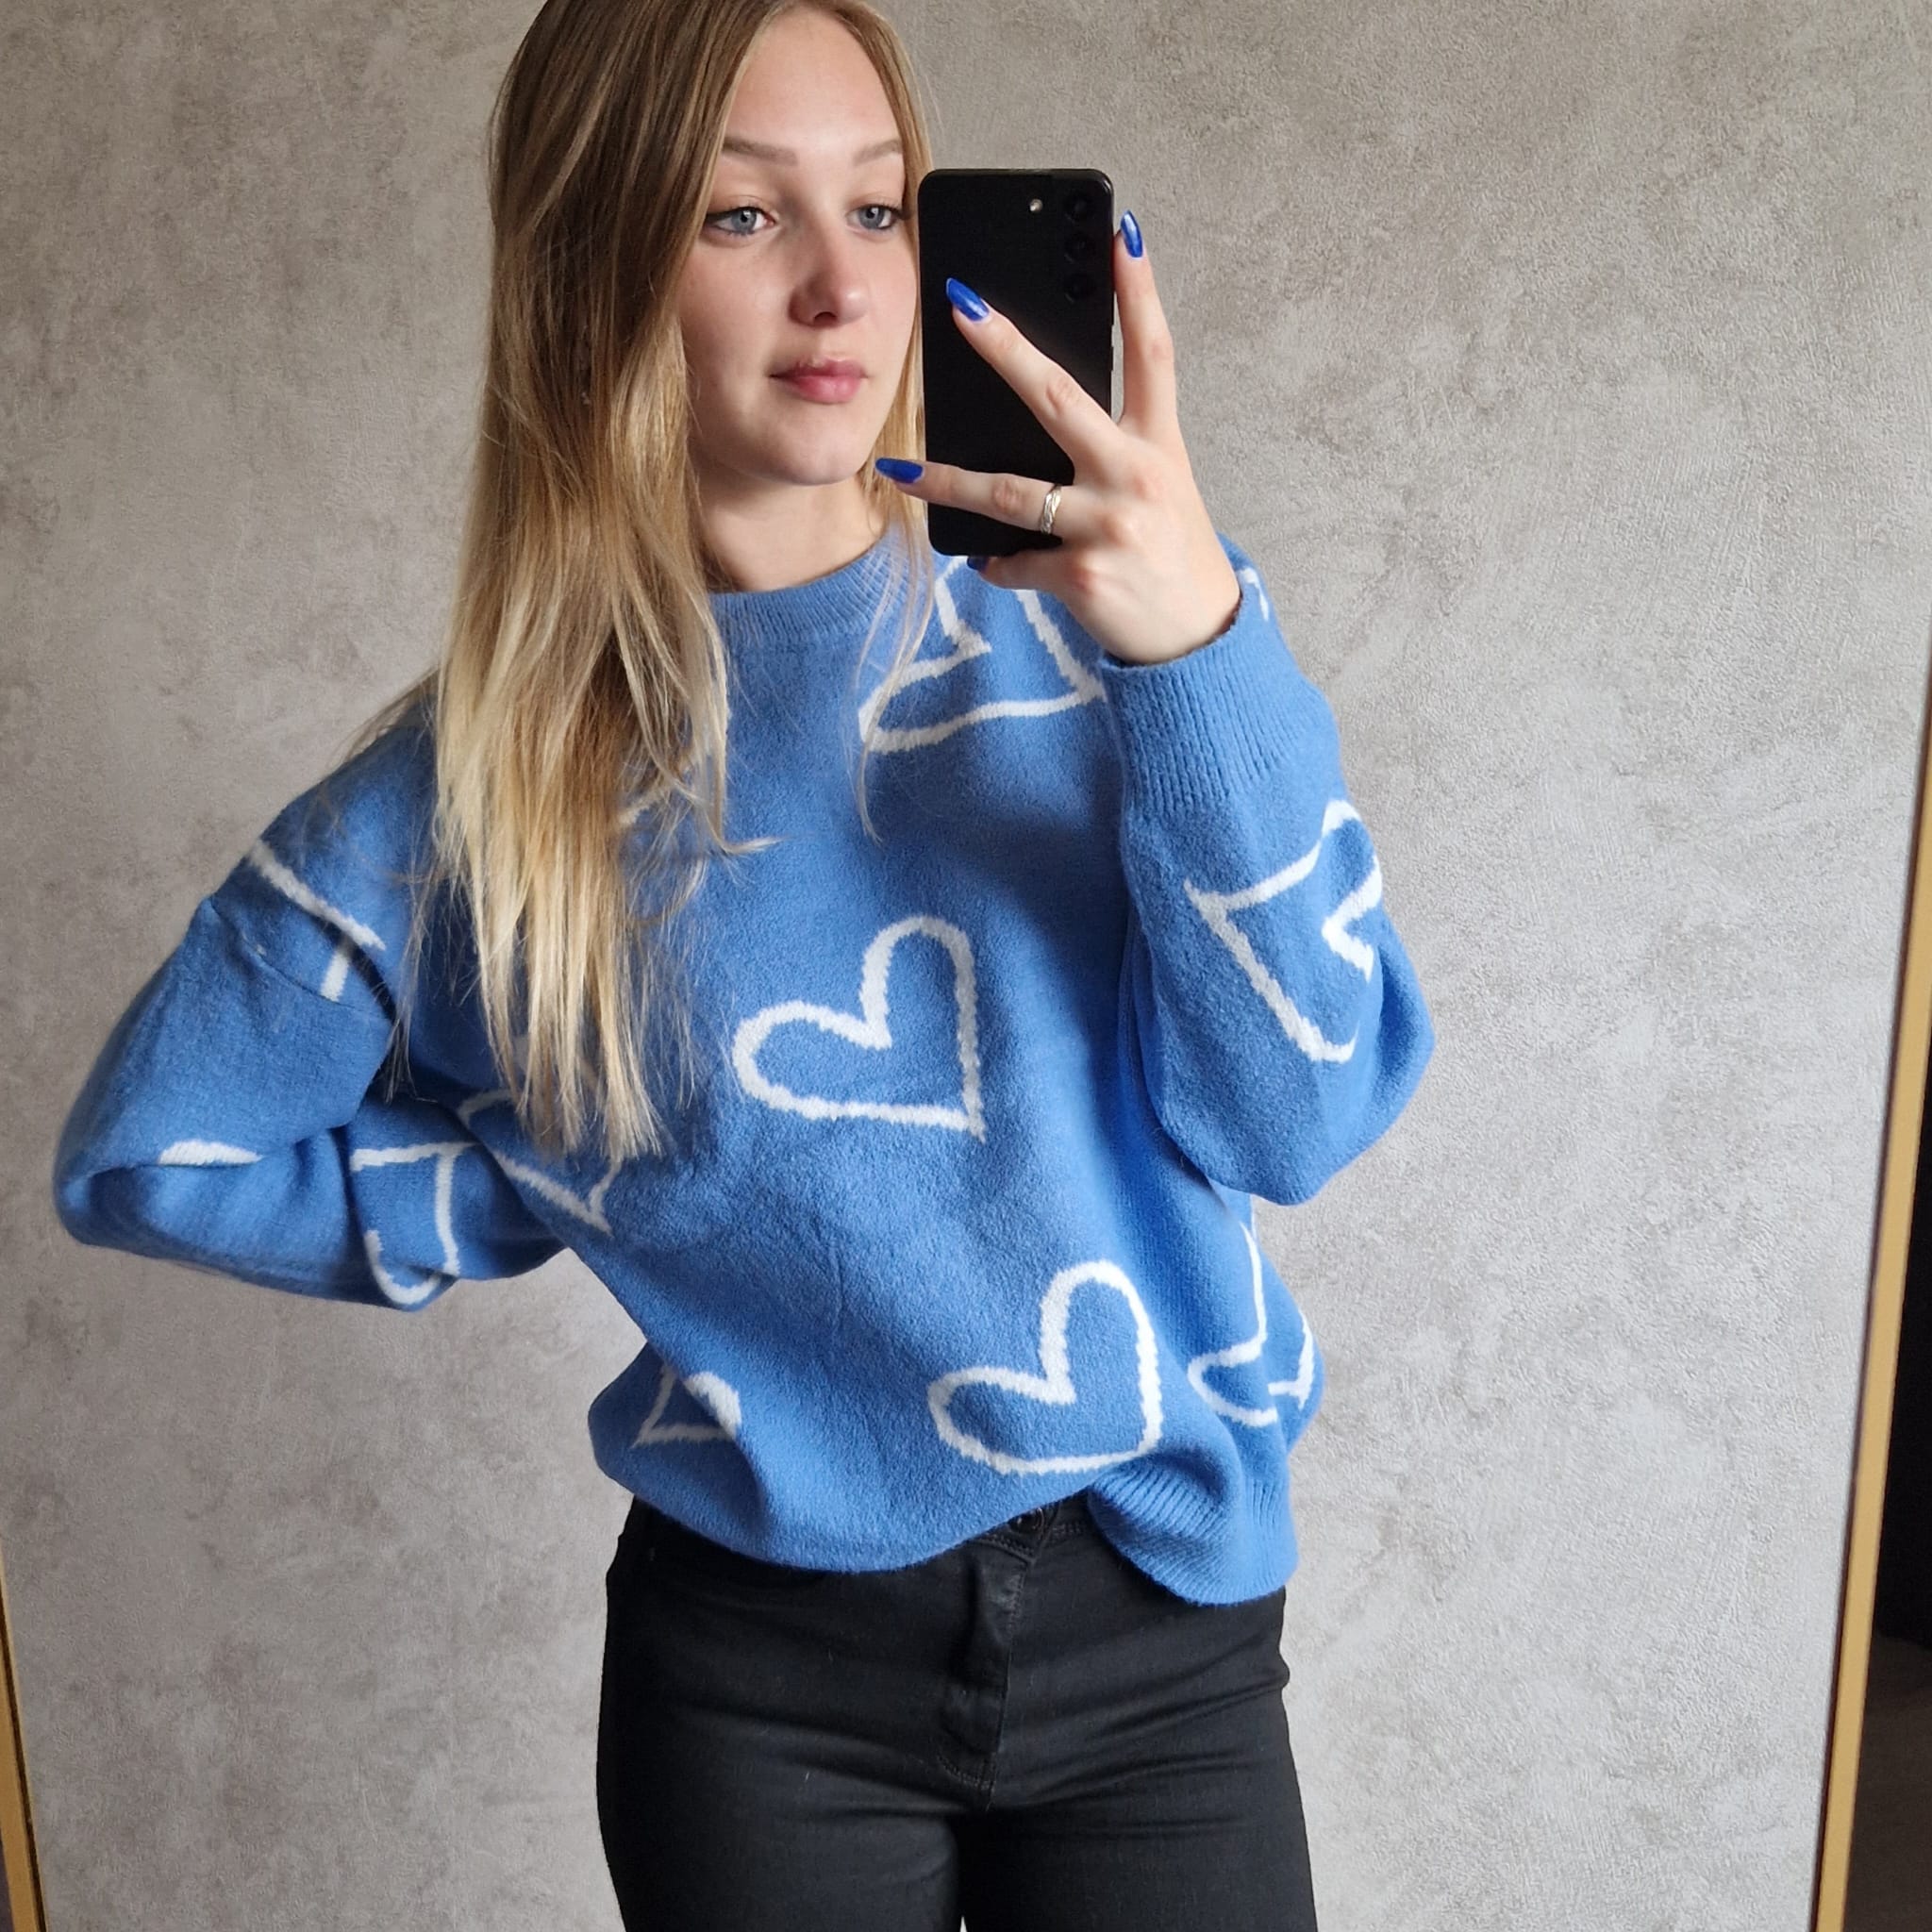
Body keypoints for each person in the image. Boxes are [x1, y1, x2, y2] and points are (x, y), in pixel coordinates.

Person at [49, 1, 1435, 1925]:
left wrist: (1198, 649)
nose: (838, 287)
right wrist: (581, 1159)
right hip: (761, 1687)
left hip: (1165, 1629)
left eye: (879, 208)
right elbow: (154, 1155)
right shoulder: (482, 785)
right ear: (592, 267)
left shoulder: (1111, 639)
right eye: (739, 216)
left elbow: (1299, 1113)